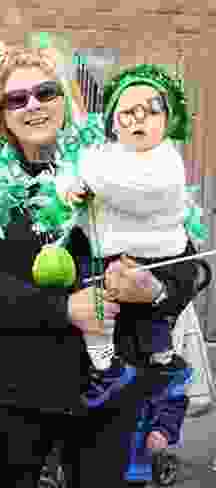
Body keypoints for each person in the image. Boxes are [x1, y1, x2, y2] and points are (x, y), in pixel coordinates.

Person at [0, 35, 201, 488]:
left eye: (46, 93)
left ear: (66, 99)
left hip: (116, 391)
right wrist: (64, 308)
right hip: (21, 391)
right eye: (16, 99)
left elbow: (186, 262)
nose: (34, 106)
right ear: (2, 118)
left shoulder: (122, 168)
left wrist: (155, 289)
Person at [55, 63, 205, 376]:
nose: (139, 119)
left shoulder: (166, 161)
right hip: (100, 256)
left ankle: (160, 359)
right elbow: (74, 172)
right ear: (113, 121)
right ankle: (103, 360)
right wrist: (72, 188)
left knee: (150, 325)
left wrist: (157, 292)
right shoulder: (100, 155)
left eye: (150, 111)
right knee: (100, 309)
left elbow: (147, 192)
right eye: (127, 113)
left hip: (151, 254)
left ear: (167, 122)